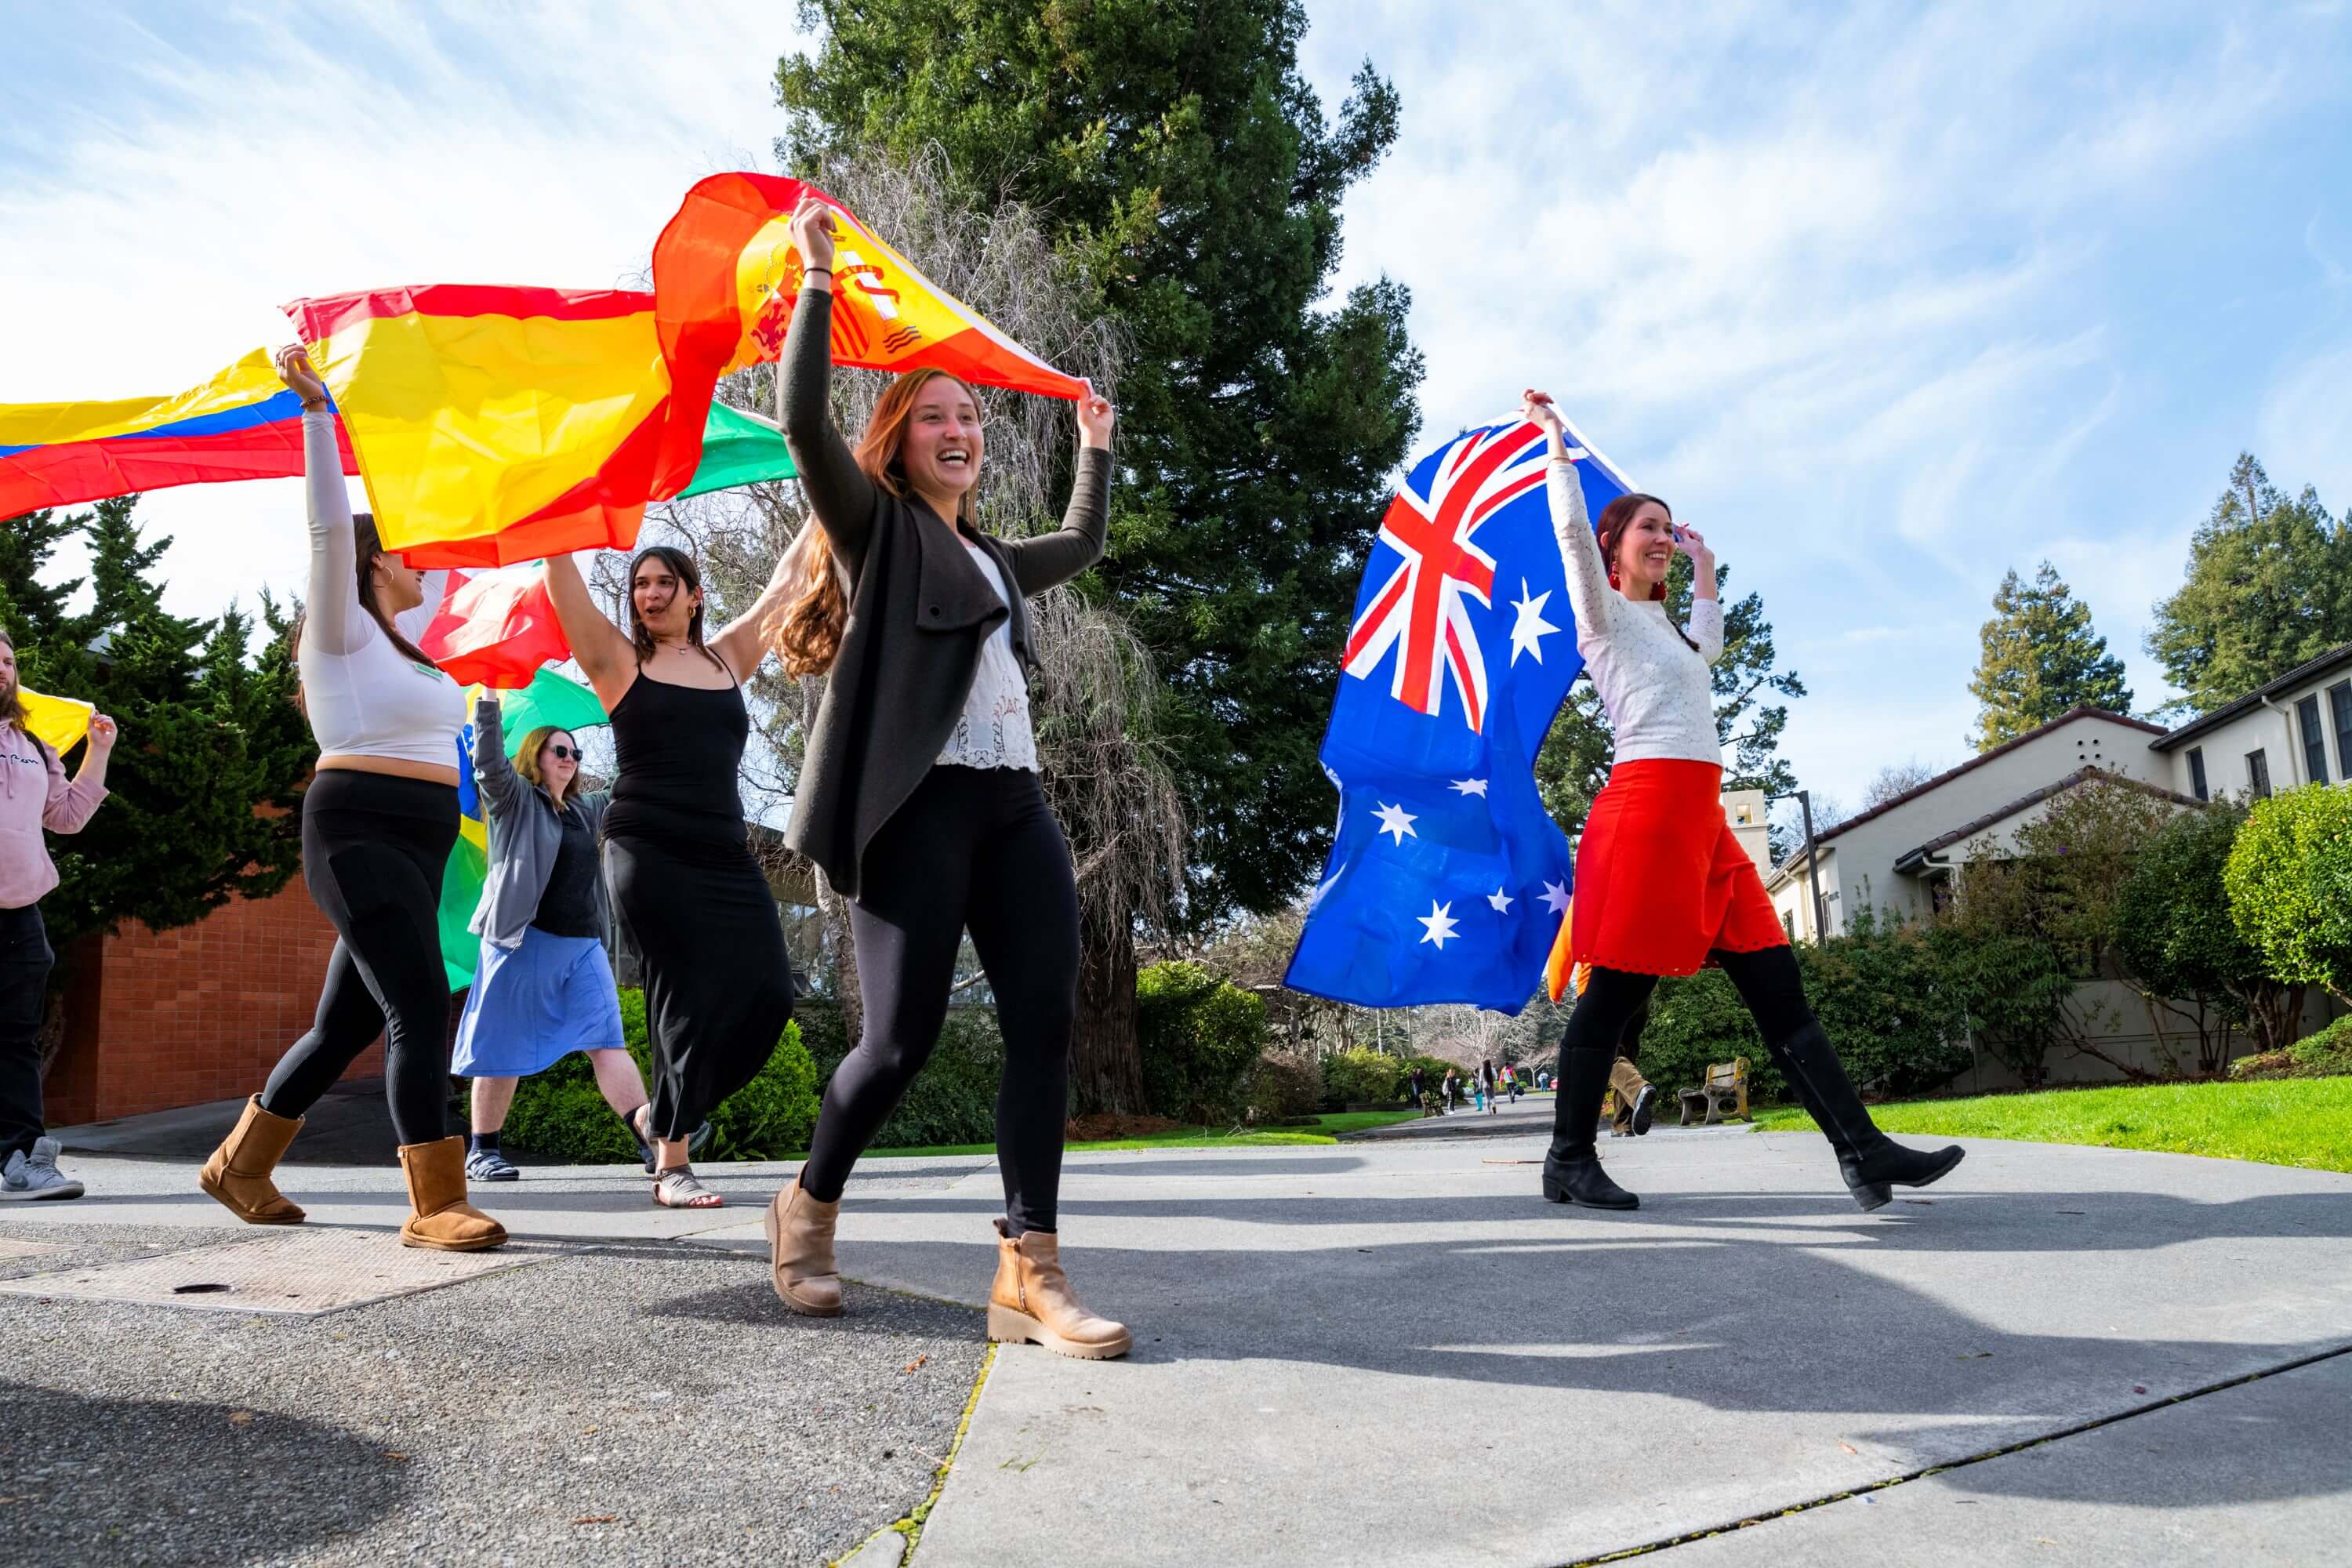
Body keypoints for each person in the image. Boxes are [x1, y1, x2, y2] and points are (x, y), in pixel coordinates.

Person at [761, 194, 1128, 1360]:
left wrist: (1095, 452)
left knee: (1043, 1023)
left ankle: (1031, 1266)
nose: (959, 428)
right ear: (902, 441)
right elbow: (801, 422)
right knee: (900, 1041)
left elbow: (1080, 547)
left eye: (970, 415)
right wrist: (818, 280)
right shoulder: (877, 527)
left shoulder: (992, 558)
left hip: (1013, 803)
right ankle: (808, 1203)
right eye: (935, 416)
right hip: (916, 810)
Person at [1524, 388, 1962, 1212]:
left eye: (1669, 524)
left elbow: (1711, 643)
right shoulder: (1604, 617)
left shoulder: (1673, 635)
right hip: (1645, 815)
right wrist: (1555, 445)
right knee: (1615, 993)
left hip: (1704, 825)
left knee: (1779, 992)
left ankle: (1863, 1152)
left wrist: (1705, 567)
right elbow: (1573, 536)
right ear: (1616, 545)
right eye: (1648, 526)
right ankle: (1568, 1158)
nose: (1663, 534)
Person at [201, 347, 505, 1252]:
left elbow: (458, 541)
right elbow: (333, 531)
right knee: (419, 1004)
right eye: (410, 552)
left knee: (345, 1024)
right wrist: (318, 418)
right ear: (379, 563)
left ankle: (239, 1164)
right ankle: (435, 1198)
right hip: (355, 831)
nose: (429, 565)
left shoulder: (411, 646)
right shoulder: (337, 637)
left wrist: (467, 436)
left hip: (418, 844)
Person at [542, 535, 799, 1209]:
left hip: (724, 850)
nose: (649, 595)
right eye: (639, 585)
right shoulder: (621, 662)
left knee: (771, 991)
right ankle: (674, 1162)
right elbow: (562, 581)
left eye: (663, 583)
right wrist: (554, 524)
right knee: (680, 991)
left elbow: (786, 582)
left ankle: (662, 1113)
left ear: (694, 595)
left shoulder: (727, 659)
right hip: (647, 848)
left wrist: (829, 485)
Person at [450, 699, 681, 1182]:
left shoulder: (584, 809)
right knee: (501, 1047)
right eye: (560, 749)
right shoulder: (513, 800)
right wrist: (489, 698)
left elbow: (628, 780)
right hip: (520, 941)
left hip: (582, 946)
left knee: (607, 1041)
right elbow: (489, 762)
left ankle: (647, 1131)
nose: (569, 758)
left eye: (575, 752)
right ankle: (483, 1151)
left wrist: (652, 719)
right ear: (536, 754)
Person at [0, 641, 114, 1202]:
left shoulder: (34, 746)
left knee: (16, 1041)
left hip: (21, 915)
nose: (1, 670)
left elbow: (66, 818)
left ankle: (21, 1159)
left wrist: (98, 751)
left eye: (6, 662)